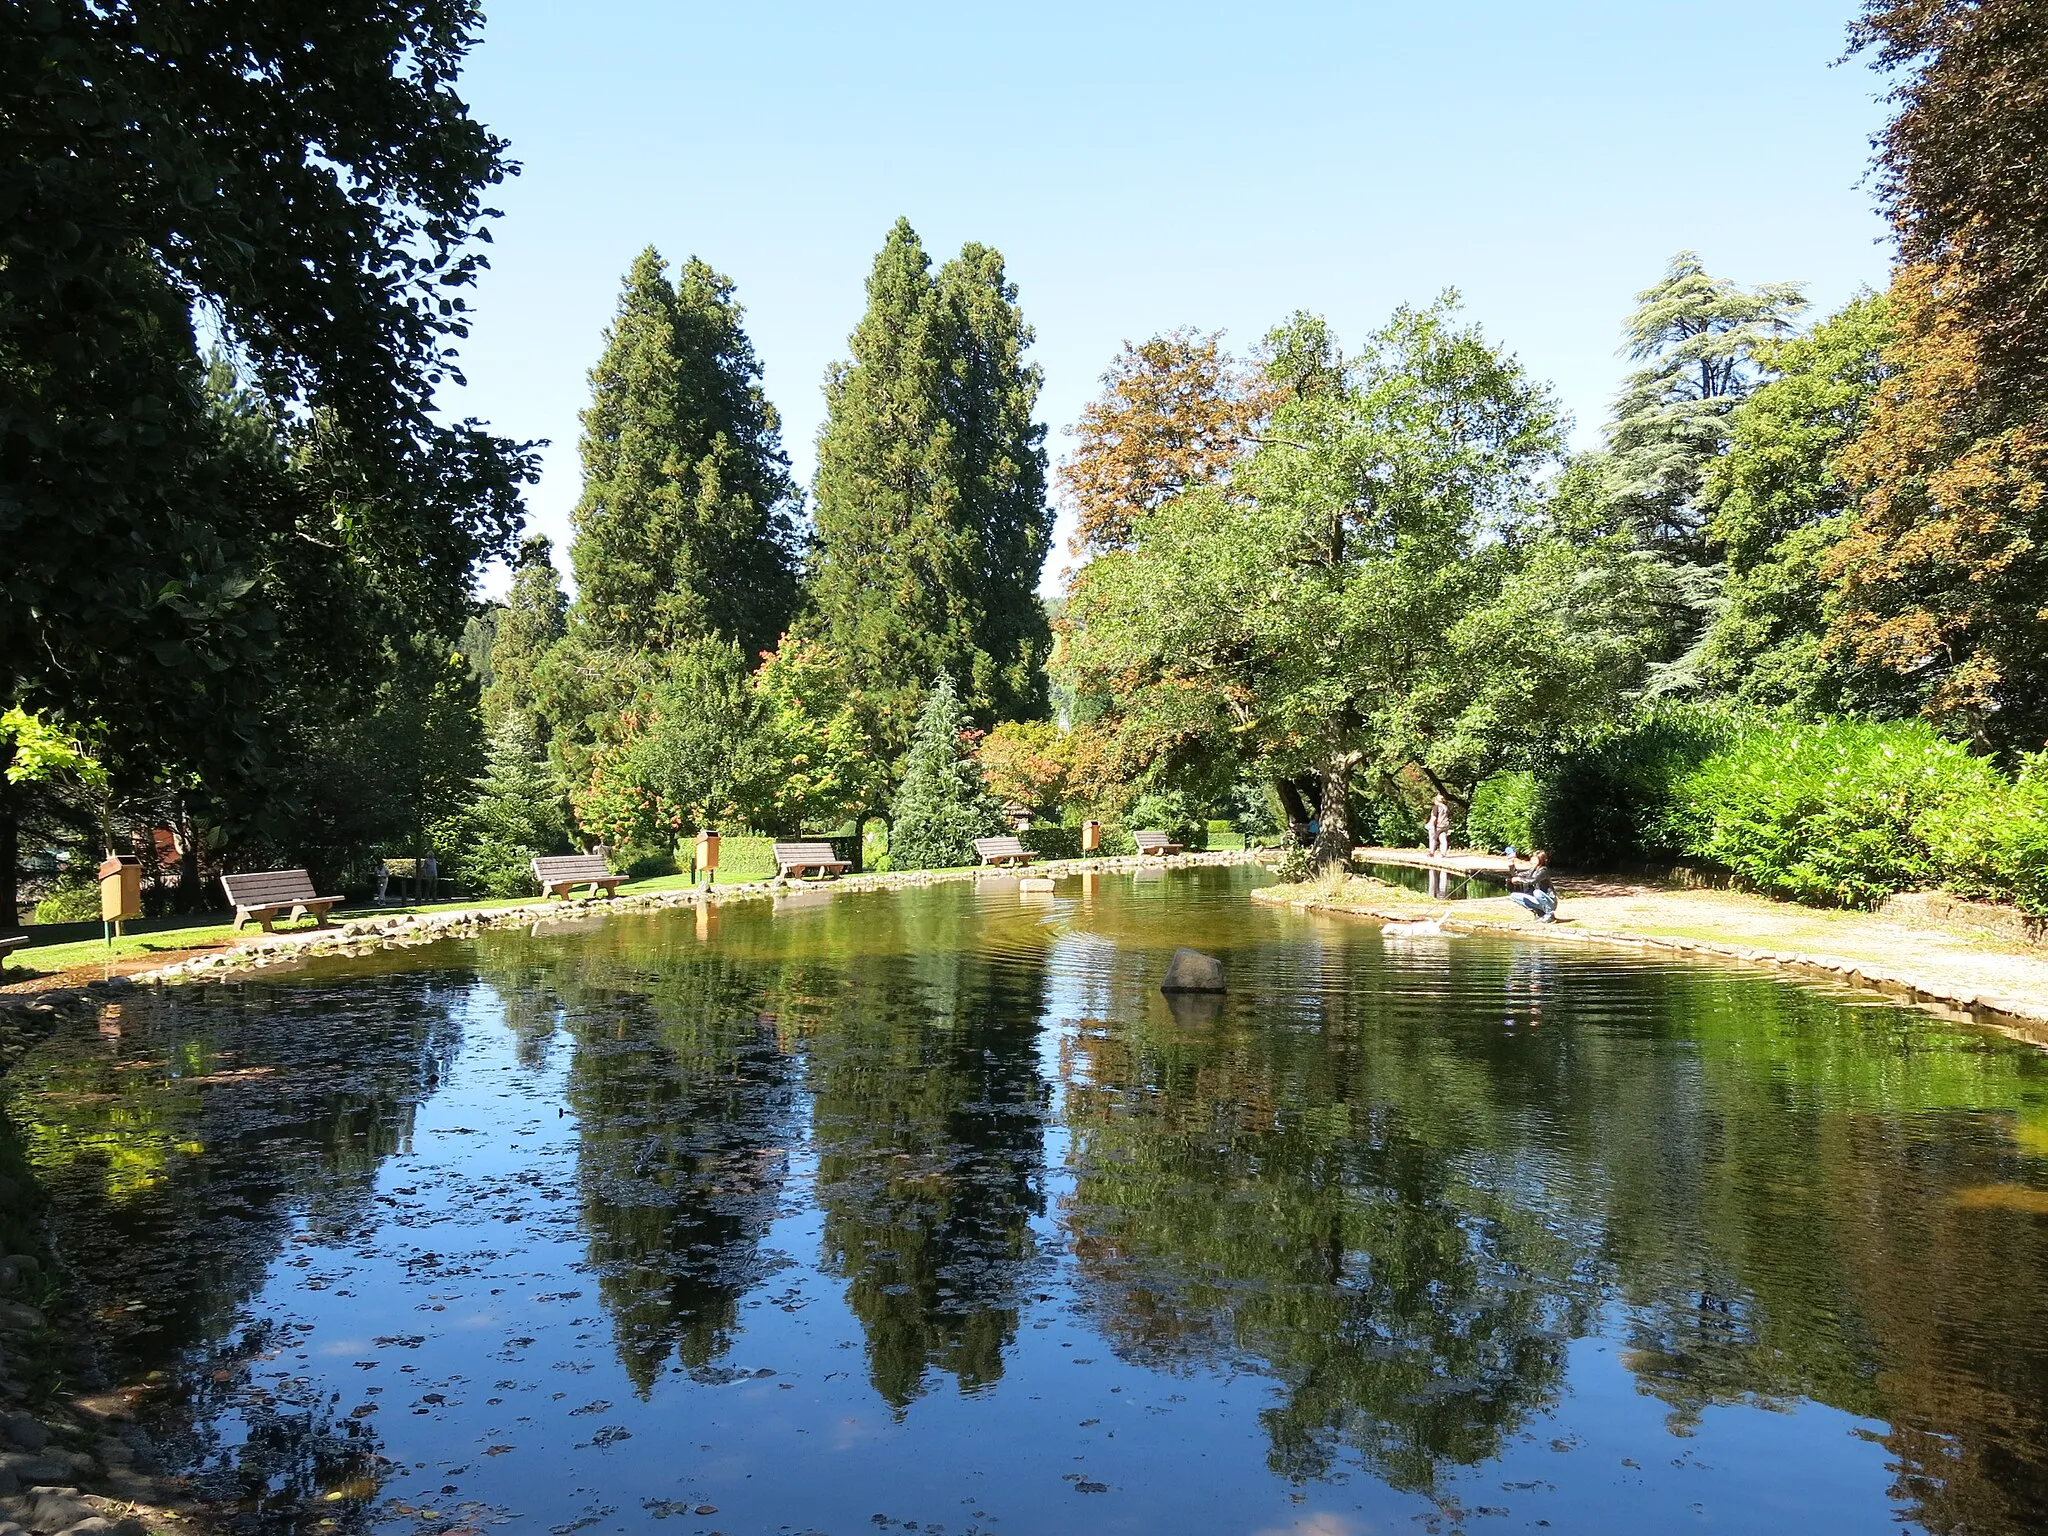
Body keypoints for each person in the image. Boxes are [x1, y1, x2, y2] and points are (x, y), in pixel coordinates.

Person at [1508, 850, 1558, 922]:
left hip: (1550, 901)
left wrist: (1519, 879)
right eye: (1532, 858)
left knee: (1537, 892)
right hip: (1538, 899)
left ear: (1541, 860)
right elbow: (1517, 874)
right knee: (1514, 896)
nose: (1532, 860)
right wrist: (1511, 864)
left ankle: (1550, 915)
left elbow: (1533, 880)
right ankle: (1539, 913)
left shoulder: (1543, 870)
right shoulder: (1532, 870)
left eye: (1535, 858)